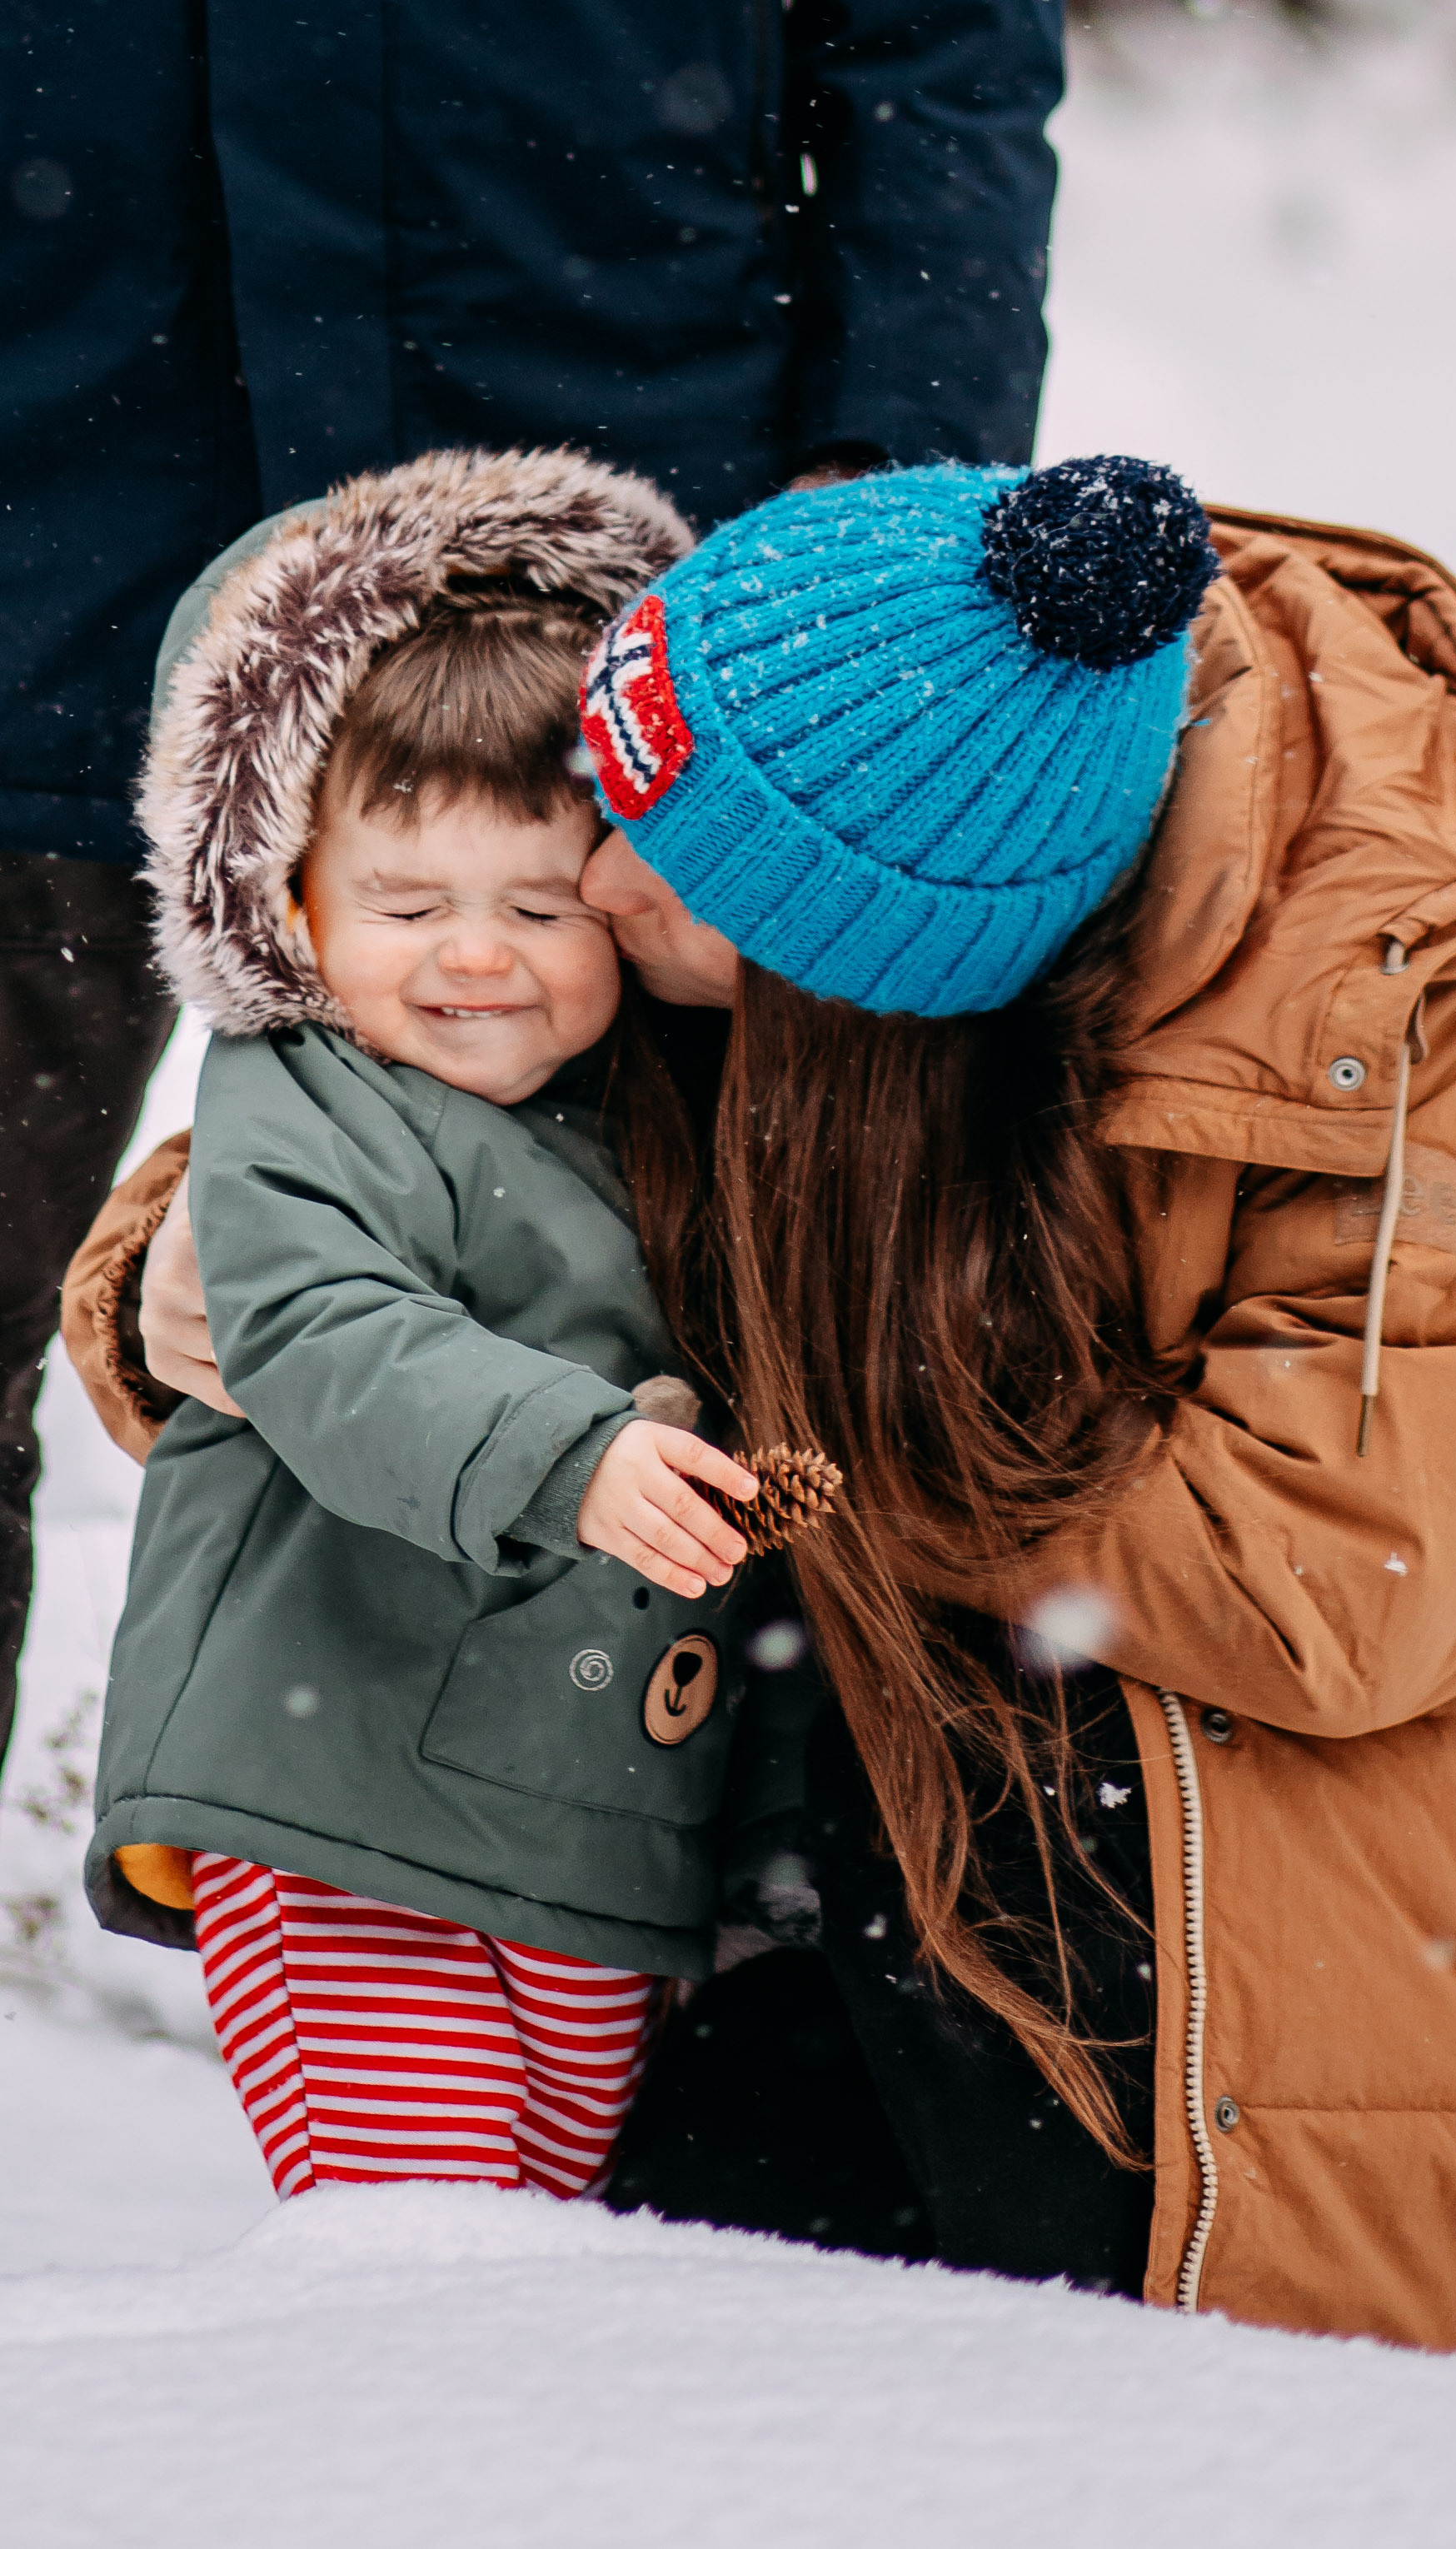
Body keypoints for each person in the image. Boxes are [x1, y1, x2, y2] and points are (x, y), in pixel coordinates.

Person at [67, 455, 1456, 2367]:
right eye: (607, 798)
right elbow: (424, 1112)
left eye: (664, 873)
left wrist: (822, 1447)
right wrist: (176, 1272)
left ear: (858, 1002)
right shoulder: (851, 671)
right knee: (686, 2261)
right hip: (890, 1745)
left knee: (922, 2164)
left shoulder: (1363, 1016)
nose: (595, 881)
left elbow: (1343, 1590)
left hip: (1418, 1802)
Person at [0, 2, 1065, 1765]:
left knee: (718, 1332)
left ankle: (684, 1900)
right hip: (60, 506)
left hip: (631, 558)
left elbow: (939, 47)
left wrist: (881, 482)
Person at [82, 443, 813, 2204]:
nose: (477, 957)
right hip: (332, 1789)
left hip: (592, 1821)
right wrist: (571, 1453)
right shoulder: (301, 1090)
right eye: (408, 907)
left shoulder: (661, 1100)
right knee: (418, 2229)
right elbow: (320, 1330)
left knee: (543, 2241)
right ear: (288, 901)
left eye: (542, 907)